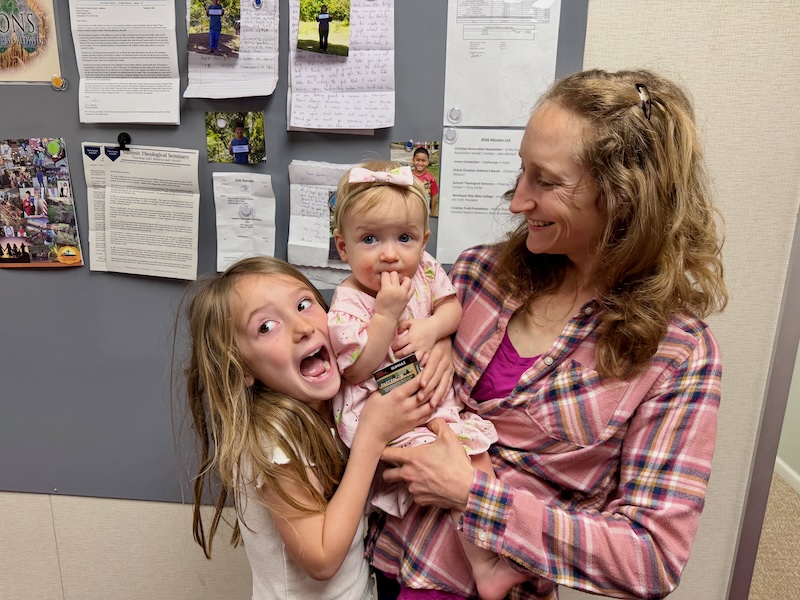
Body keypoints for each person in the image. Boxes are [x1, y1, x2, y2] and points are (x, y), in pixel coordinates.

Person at [368, 68, 728, 599]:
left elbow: (651, 558)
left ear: (623, 197)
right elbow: (382, 381)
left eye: (546, 181)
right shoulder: (473, 277)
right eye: (521, 172)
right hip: (383, 563)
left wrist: (475, 496)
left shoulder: (676, 354)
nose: (517, 201)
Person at [181, 256, 437, 600]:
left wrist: (440, 347)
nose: (302, 328)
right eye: (266, 327)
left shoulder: (333, 406)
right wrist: (371, 438)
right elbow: (320, 559)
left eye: (304, 304)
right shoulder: (274, 441)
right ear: (241, 367)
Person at [329, 161, 528, 598]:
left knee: (476, 459)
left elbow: (452, 310)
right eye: (369, 239)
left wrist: (433, 331)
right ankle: (477, 564)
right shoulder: (347, 302)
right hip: (383, 414)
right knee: (443, 465)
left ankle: (485, 564)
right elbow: (358, 369)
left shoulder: (426, 271)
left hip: (431, 404)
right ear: (342, 247)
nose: (389, 253)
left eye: (405, 238)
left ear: (424, 240)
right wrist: (386, 314)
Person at [411, 147, 440, 218]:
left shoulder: (431, 179)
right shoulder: (408, 176)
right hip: (410, 212)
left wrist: (432, 213)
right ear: (413, 160)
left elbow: (434, 197)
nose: (420, 163)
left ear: (428, 162)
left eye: (423, 160)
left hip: (425, 213)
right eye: (417, 160)